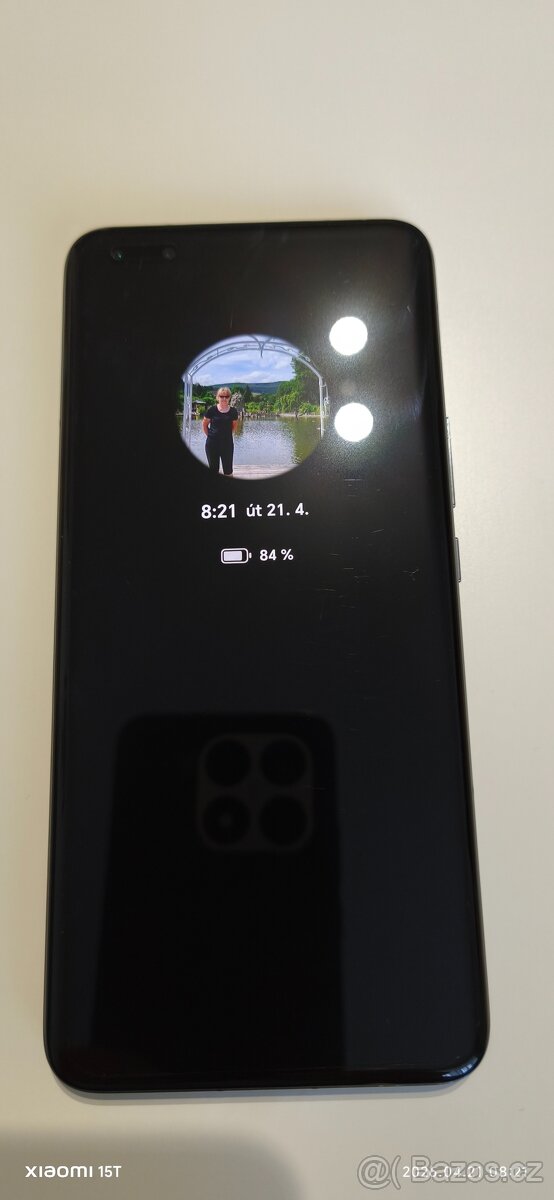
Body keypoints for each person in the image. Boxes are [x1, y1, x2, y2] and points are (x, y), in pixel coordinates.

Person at [202, 388, 239, 475]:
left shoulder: (233, 411)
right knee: (213, 469)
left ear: (229, 397)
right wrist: (211, 436)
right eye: (221, 396)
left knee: (228, 470)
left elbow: (234, 426)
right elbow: (204, 425)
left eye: (226, 396)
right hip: (212, 444)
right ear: (217, 397)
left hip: (227, 444)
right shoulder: (211, 410)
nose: (224, 398)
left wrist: (226, 435)